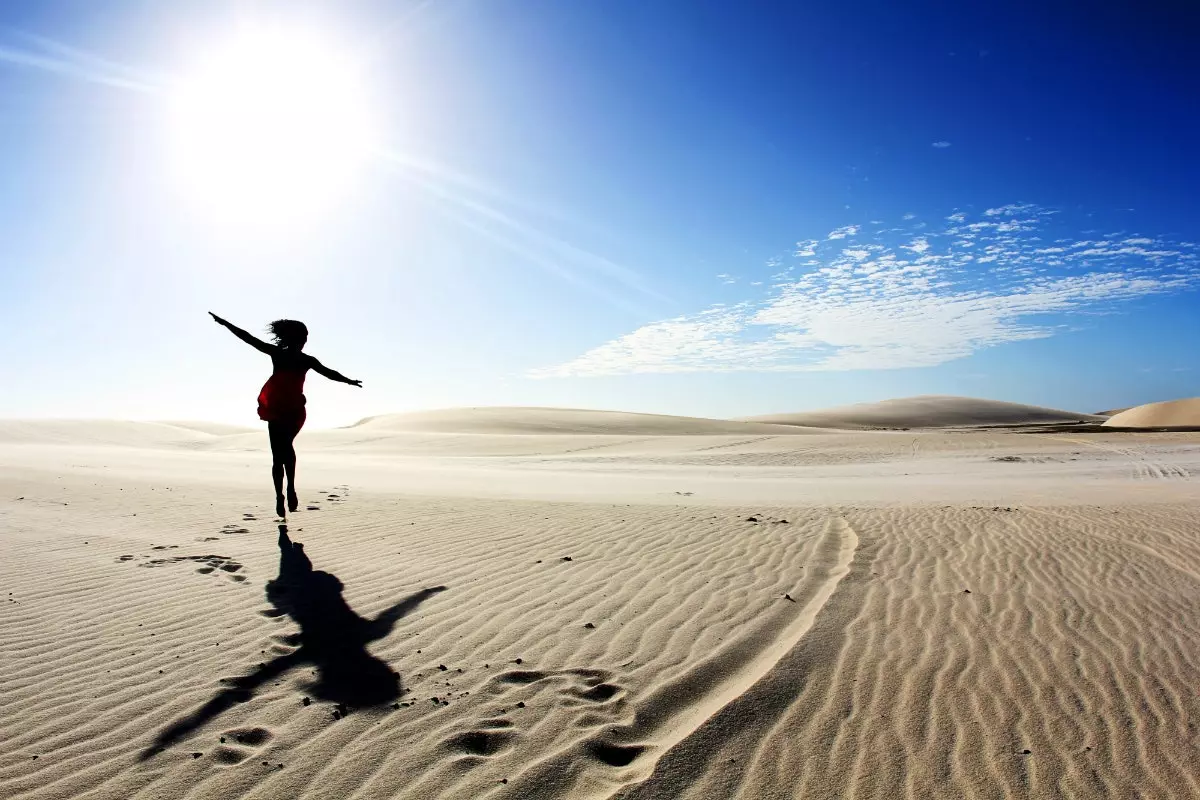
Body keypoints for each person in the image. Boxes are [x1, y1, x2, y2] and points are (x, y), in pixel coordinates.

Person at [209, 313, 361, 517]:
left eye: (307, 338)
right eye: (303, 337)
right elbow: (248, 338)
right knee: (277, 455)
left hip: (295, 409)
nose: (306, 341)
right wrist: (225, 323)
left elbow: (328, 372)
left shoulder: (306, 360)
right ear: (294, 338)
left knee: (285, 447)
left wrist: (348, 381)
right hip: (277, 408)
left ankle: (290, 488)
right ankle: (279, 495)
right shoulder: (278, 353)